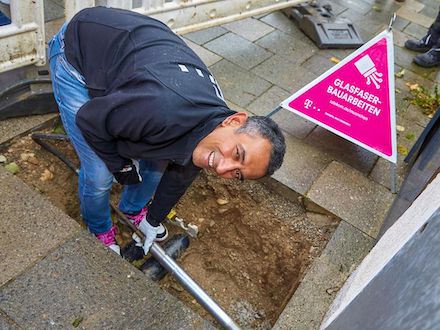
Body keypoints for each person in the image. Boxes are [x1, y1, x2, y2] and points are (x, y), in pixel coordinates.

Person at [48, 6, 286, 255]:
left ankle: (132, 209)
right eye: (238, 154)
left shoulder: (214, 130)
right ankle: (98, 229)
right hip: (80, 48)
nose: (223, 168)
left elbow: (183, 171)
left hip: (134, 58)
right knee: (99, 174)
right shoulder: (161, 108)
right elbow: (91, 120)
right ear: (234, 121)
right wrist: (122, 166)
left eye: (237, 174)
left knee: (155, 166)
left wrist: (153, 219)